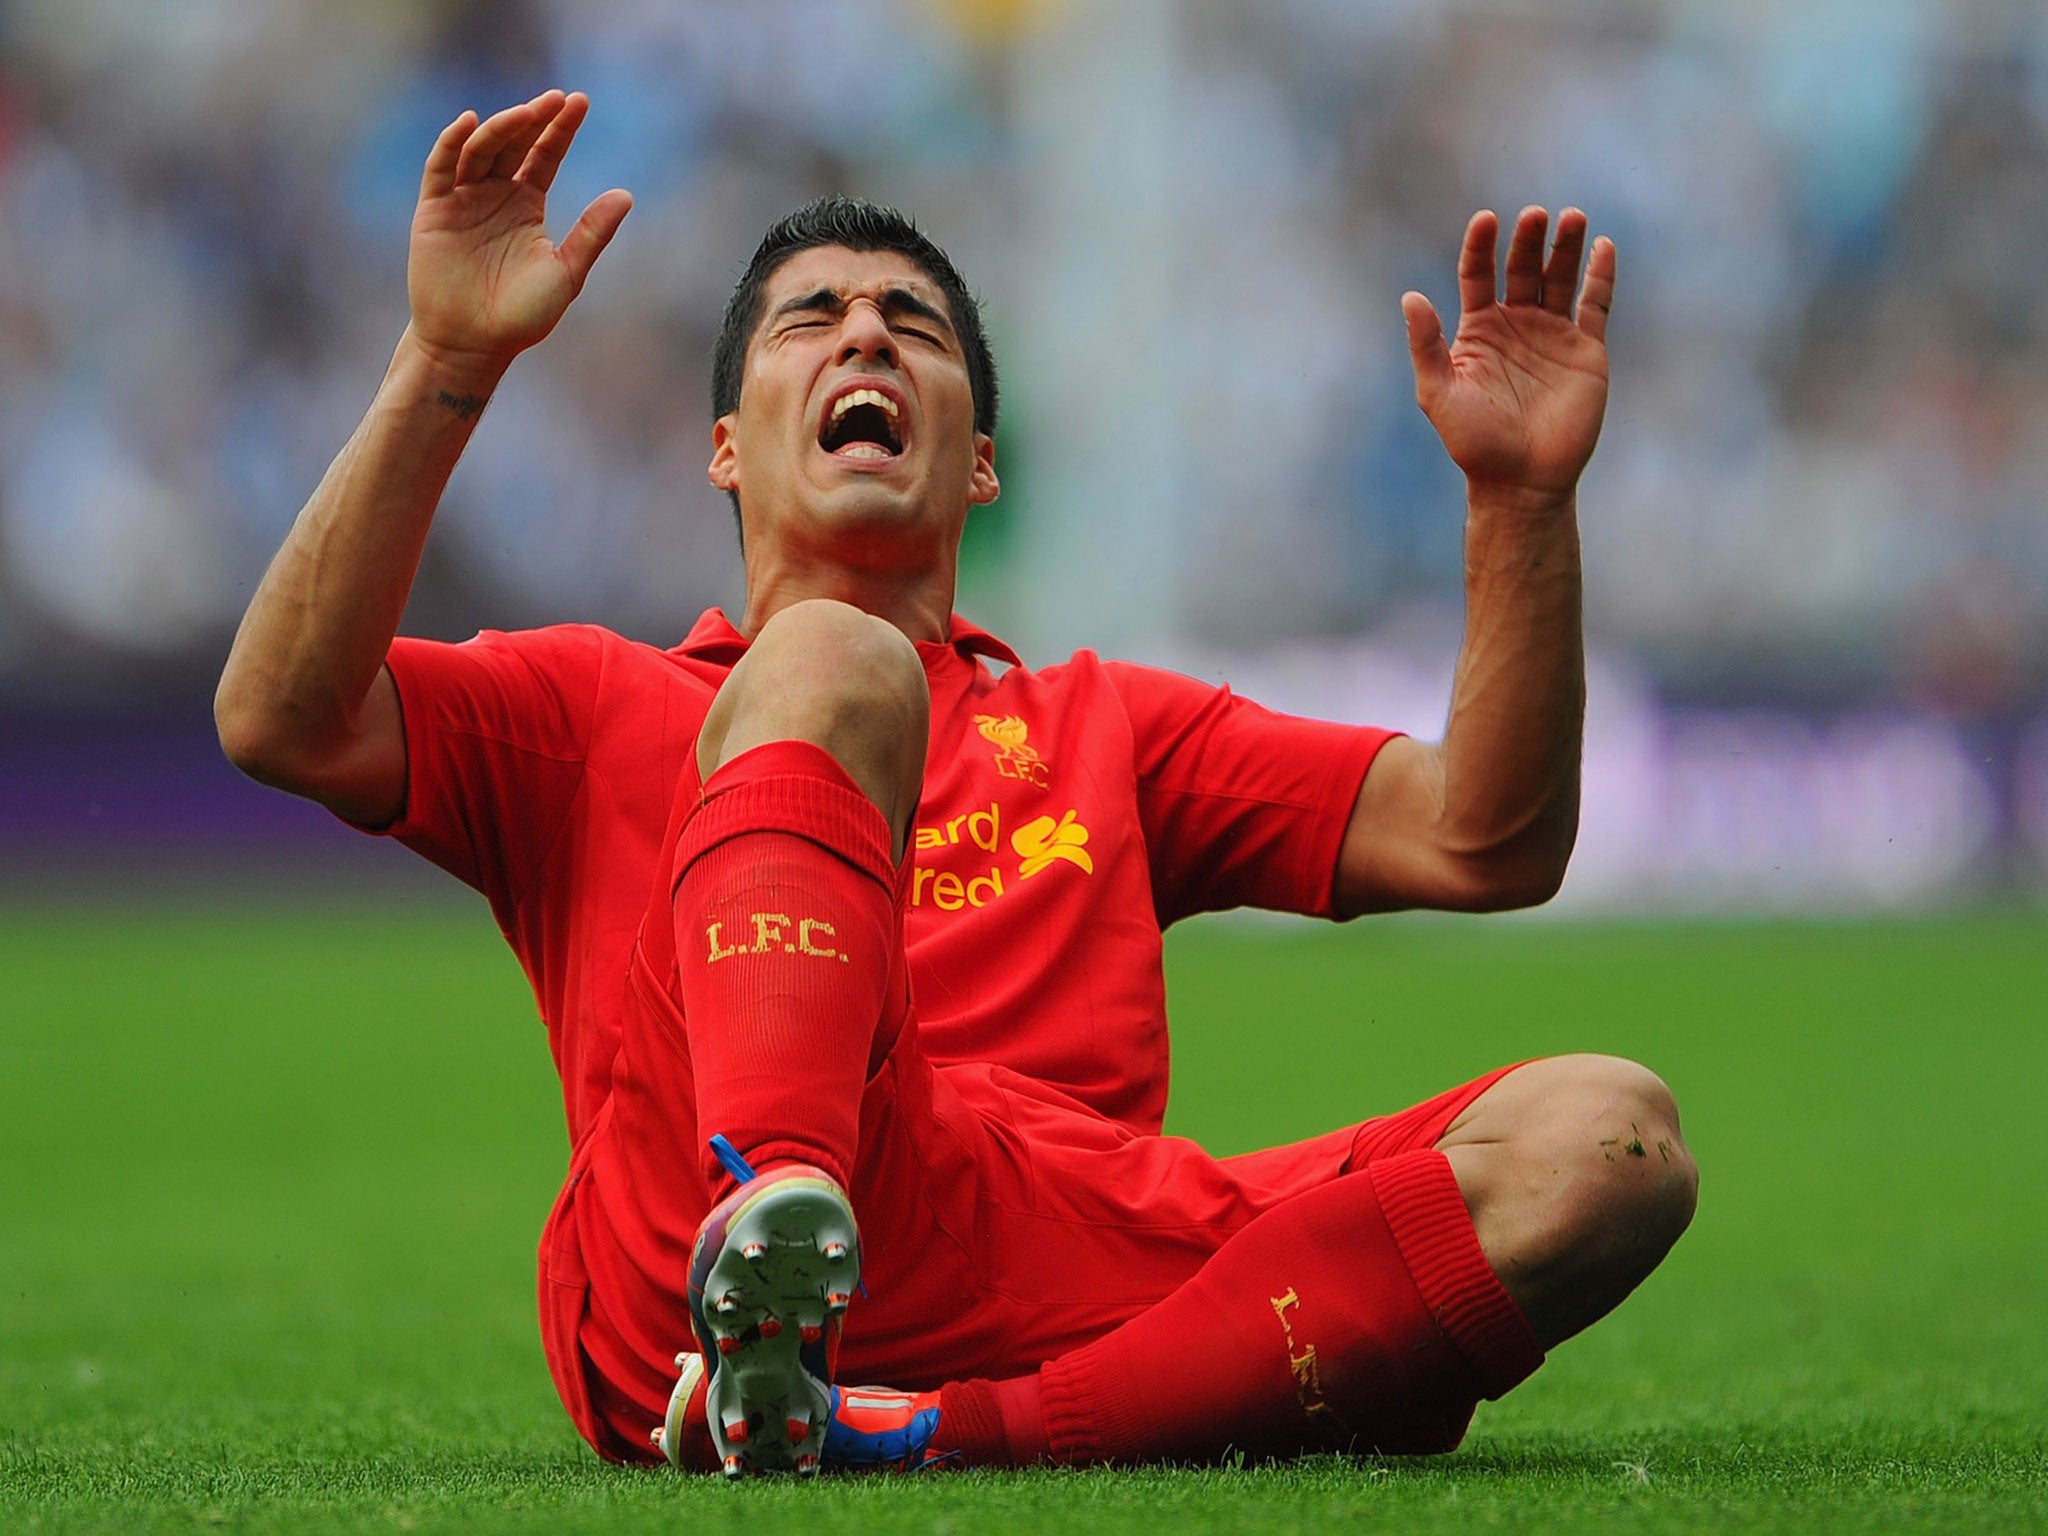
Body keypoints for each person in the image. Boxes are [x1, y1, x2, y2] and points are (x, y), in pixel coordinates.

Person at [216, 90, 1697, 1478]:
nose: (865, 336)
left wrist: (1520, 504)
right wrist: (448, 363)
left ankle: (936, 1430)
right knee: (827, 665)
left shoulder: (1106, 726)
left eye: (909, 325)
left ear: (977, 463)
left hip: (1049, 1248)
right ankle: (780, 1230)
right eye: (813, 320)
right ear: (727, 449)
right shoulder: (592, 702)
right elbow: (283, 716)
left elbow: (1484, 842)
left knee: (1612, 1139)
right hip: (681, 1248)